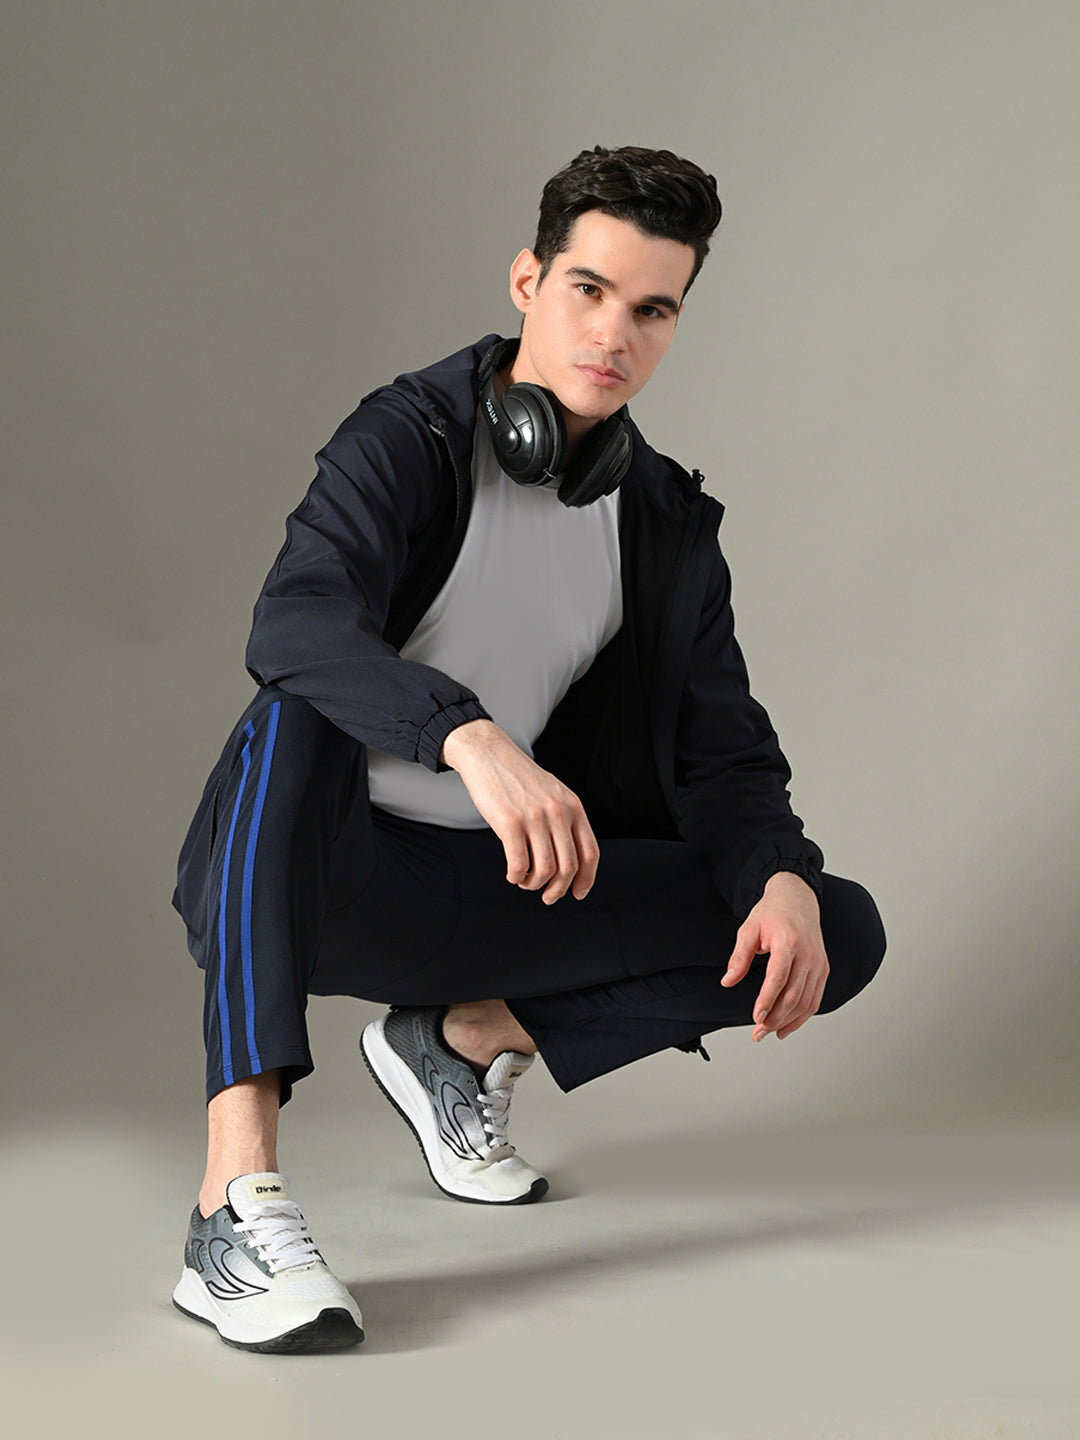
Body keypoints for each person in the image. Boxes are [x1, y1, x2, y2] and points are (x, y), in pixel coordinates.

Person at [170, 145, 886, 1354]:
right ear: (527, 281)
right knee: (291, 712)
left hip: (504, 888)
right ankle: (230, 1203)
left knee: (830, 923)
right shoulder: (407, 437)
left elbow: (724, 757)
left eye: (653, 309)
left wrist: (776, 874)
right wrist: (466, 734)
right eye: (588, 290)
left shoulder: (661, 521)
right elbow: (294, 623)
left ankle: (459, 1041)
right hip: (317, 878)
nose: (614, 334)